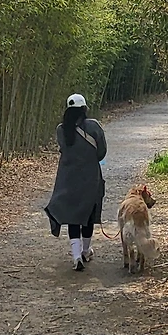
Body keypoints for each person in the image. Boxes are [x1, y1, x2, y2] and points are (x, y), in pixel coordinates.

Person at [44, 92, 107, 270]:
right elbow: (101, 152)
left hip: (68, 178)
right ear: (84, 109)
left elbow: (64, 149)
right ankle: (86, 251)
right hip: (90, 177)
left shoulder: (61, 130)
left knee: (73, 216)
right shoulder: (94, 126)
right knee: (88, 215)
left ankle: (76, 256)